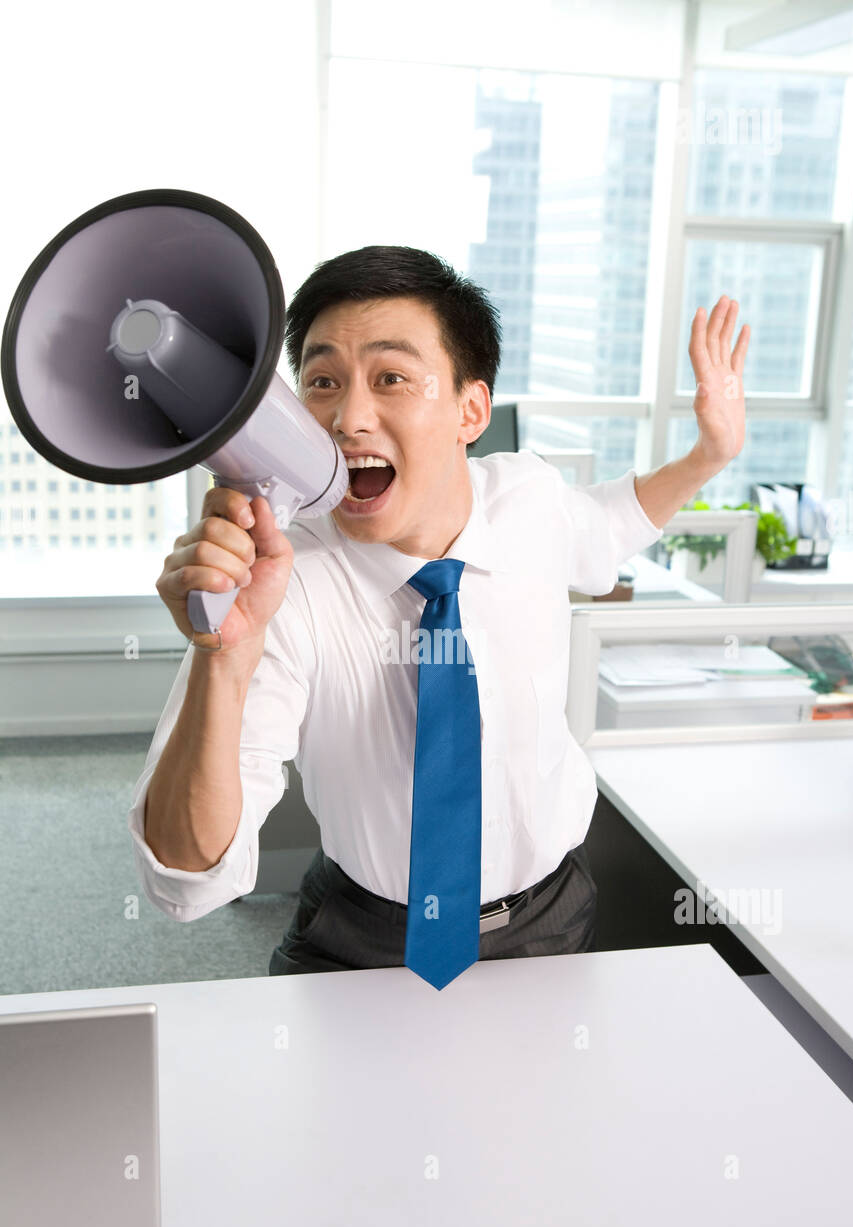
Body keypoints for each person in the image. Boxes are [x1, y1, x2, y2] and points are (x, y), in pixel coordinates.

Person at [128, 247, 749, 979]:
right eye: (322, 382)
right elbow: (186, 875)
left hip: (551, 918)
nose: (349, 416)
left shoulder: (530, 498)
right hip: (359, 937)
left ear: (471, 411)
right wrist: (222, 661)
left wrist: (710, 455)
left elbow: (612, 521)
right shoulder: (283, 582)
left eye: (391, 377)